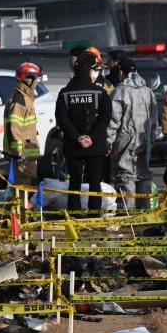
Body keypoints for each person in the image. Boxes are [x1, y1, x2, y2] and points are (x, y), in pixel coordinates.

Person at [55, 51, 112, 216]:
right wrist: (91, 137)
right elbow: (105, 117)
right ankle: (94, 215)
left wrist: (78, 137)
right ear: (89, 72)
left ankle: (74, 214)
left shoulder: (64, 93)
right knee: (95, 182)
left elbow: (62, 118)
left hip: (73, 146)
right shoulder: (100, 93)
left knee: (74, 182)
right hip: (95, 145)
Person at [107, 57, 158, 212]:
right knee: (143, 175)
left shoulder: (120, 92)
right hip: (145, 139)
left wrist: (108, 143)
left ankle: (126, 214)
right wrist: (151, 139)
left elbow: (112, 122)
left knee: (125, 175)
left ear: (121, 73)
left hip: (125, 140)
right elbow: (154, 120)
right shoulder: (148, 91)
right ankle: (145, 213)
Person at [3, 62, 42, 187]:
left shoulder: (25, 97)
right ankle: (22, 207)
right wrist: (19, 154)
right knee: (24, 186)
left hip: (27, 154)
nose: (37, 82)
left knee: (25, 185)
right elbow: (15, 128)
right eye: (36, 78)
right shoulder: (20, 100)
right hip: (24, 155)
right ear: (29, 79)